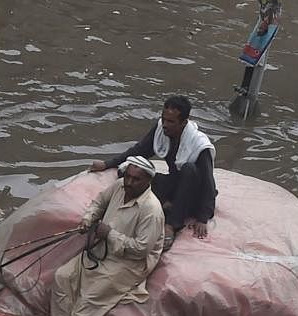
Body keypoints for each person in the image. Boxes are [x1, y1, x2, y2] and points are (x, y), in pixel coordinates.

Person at [24, 156, 166, 316]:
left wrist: (109, 234)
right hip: (102, 250)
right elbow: (99, 202)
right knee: (63, 277)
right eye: (128, 176)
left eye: (136, 179)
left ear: (147, 182)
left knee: (90, 301)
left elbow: (141, 250)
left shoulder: (151, 210)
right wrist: (89, 218)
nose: (129, 182)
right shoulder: (119, 187)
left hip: (129, 263)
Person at [89, 95, 216, 249]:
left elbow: (209, 183)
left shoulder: (200, 145)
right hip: (175, 183)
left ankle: (171, 225)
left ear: (184, 122)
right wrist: (107, 164)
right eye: (164, 119)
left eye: (171, 122)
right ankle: (166, 204)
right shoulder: (161, 130)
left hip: (193, 193)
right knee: (130, 170)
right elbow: (140, 150)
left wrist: (202, 218)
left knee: (189, 169)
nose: (165, 125)